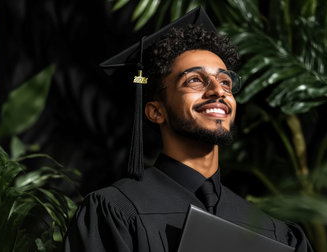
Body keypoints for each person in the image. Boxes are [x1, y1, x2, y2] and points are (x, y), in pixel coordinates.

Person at [64, 7, 312, 252]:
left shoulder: (275, 233)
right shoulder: (117, 211)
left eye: (225, 81)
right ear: (156, 111)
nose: (218, 90)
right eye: (194, 80)